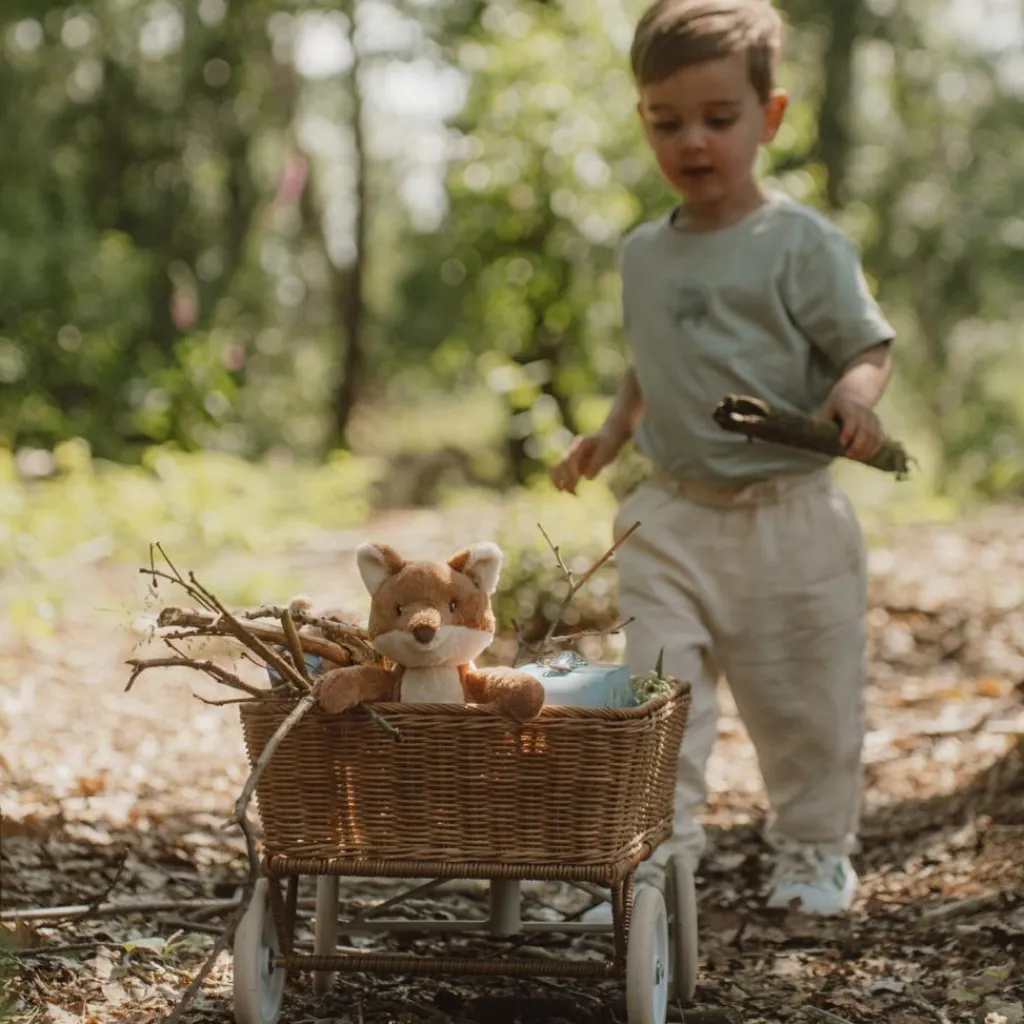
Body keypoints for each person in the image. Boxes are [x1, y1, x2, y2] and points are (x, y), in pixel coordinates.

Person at [550, 0, 895, 917]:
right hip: (671, 515)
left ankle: (814, 851)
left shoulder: (801, 243)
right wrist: (611, 433)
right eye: (668, 123)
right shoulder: (642, 254)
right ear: (643, 121)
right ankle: (654, 860)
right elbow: (650, 357)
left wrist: (855, 397)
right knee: (658, 696)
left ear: (769, 116)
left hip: (791, 519)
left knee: (808, 702)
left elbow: (865, 342)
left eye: (718, 117)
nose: (692, 141)